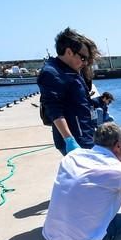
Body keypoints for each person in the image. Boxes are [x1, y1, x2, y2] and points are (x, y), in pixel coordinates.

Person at [37, 27, 101, 155]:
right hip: (76, 140)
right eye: (83, 58)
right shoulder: (52, 73)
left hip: (85, 134)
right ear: (69, 52)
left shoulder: (71, 70)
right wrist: (69, 140)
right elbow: (54, 109)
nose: (85, 62)